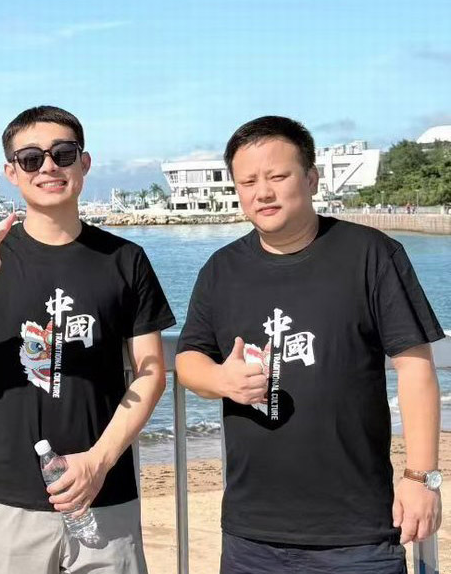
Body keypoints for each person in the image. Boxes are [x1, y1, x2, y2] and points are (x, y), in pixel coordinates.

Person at [175, 116, 444, 574]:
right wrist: (220, 379)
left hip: (358, 532)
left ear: (311, 178)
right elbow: (188, 359)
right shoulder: (221, 270)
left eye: (278, 176)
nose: (263, 192)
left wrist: (421, 478)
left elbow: (415, 366)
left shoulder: (371, 254)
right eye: (248, 182)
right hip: (250, 531)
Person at [0, 105, 173, 573]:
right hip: (9, 492)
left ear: (84, 162)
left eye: (63, 153)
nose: (49, 167)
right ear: (12, 173)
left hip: (104, 488)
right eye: (31, 159)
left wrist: (98, 462)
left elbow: (151, 372)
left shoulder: (125, 259)